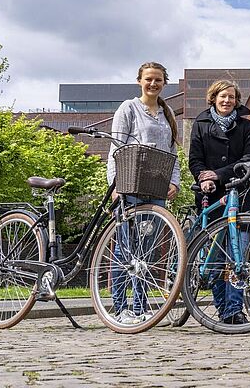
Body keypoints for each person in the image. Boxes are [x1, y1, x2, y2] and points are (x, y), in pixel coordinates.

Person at [107, 61, 182, 325]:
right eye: (148, 79)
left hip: (156, 187)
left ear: (164, 83)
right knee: (125, 249)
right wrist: (115, 185)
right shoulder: (129, 108)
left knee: (147, 252)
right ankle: (120, 308)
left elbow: (172, 153)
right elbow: (116, 148)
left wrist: (175, 182)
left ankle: (140, 307)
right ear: (140, 80)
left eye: (158, 80)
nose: (153, 84)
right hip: (131, 185)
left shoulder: (167, 113)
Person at [188, 80, 250, 325]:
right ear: (213, 98)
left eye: (231, 97)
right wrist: (203, 177)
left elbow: (249, 157)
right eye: (222, 96)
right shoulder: (201, 124)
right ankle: (223, 309)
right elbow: (195, 158)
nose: (227, 100)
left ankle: (234, 309)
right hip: (212, 196)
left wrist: (219, 174)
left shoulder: (246, 126)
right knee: (216, 258)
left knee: (238, 257)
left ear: (237, 101)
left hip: (239, 194)